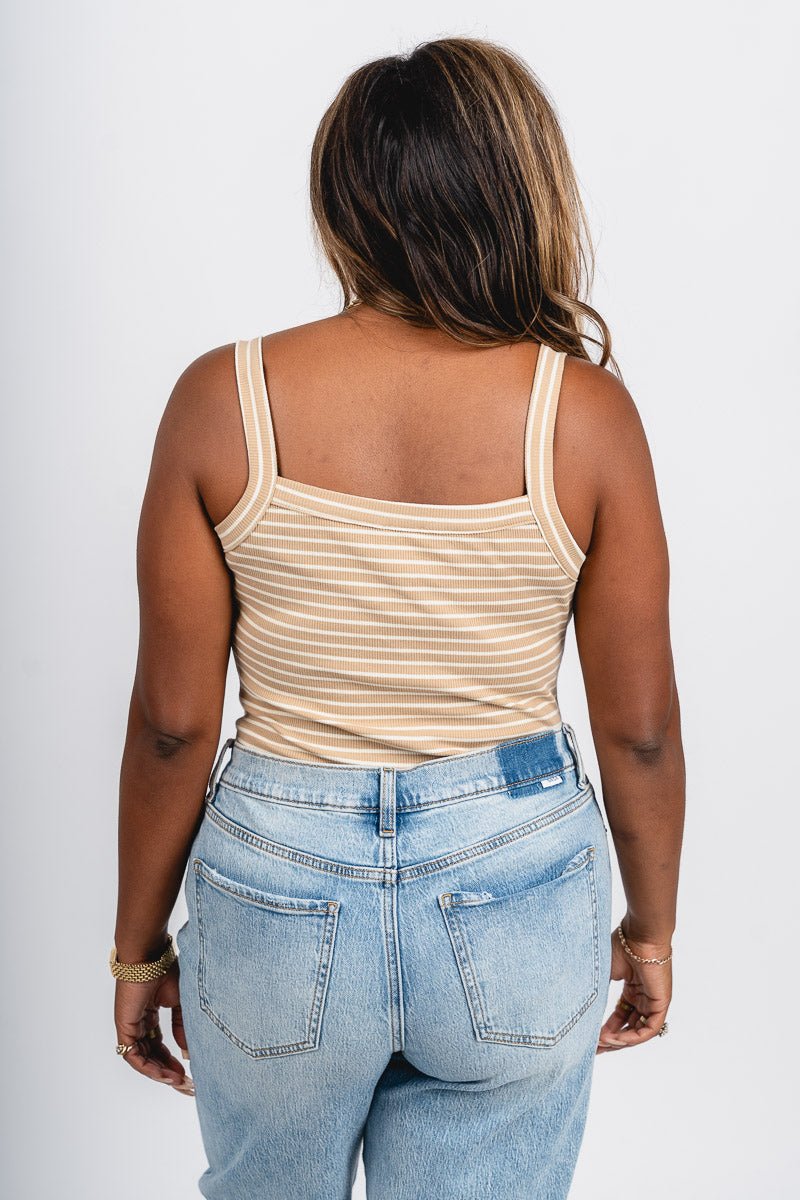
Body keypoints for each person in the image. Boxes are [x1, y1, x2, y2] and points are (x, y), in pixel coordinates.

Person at [110, 35, 685, 1200]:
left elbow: (174, 725)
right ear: (520, 191)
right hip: (516, 882)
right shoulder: (581, 417)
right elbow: (638, 733)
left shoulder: (222, 401)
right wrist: (650, 932)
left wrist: (136, 951)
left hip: (278, 879)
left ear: (340, 203)